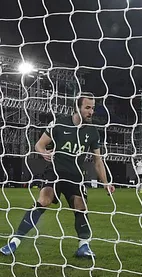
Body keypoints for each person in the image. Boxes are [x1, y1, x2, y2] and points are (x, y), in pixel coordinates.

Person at [1, 93, 115, 258]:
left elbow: (98, 161)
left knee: (81, 206)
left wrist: (105, 183)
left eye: (93, 108)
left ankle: (83, 247)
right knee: (44, 200)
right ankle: (14, 241)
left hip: (75, 175)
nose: (91, 112)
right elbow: (39, 145)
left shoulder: (92, 131)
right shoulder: (60, 123)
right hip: (55, 171)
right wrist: (43, 153)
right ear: (78, 108)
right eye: (87, 108)